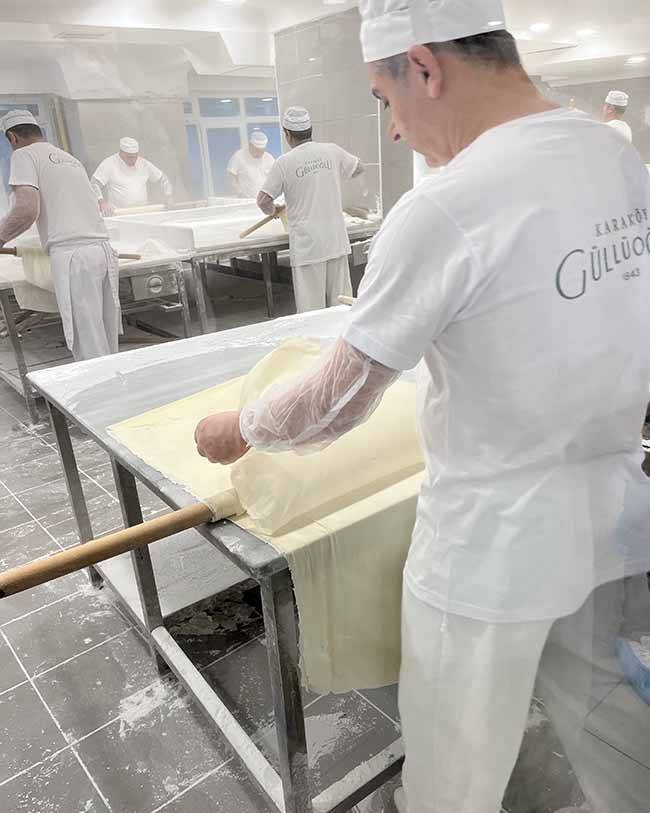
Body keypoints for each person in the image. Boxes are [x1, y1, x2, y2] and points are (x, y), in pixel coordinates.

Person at [195, 1, 650, 811]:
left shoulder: (450, 203)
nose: (395, 129)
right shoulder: (614, 158)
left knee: (455, 755)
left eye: (384, 96)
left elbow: (333, 403)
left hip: (490, 545)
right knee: (608, 721)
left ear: (427, 66)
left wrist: (239, 427)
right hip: (610, 518)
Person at [0, 110, 120, 361]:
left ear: (12, 137)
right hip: (101, 252)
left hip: (74, 257)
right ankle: (115, 387)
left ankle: (100, 396)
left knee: (87, 338)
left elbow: (26, 209)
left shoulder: (23, 154)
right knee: (105, 333)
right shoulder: (68, 158)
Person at [257, 106, 365, 313]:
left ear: (287, 134)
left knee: (311, 313)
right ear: (310, 130)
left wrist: (273, 211)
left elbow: (262, 200)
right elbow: (359, 167)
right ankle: (342, 345)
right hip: (335, 242)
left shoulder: (284, 163)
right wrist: (331, 178)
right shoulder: (331, 151)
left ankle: (315, 346)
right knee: (342, 308)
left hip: (308, 247)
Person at [91, 137, 173, 215]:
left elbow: (163, 179)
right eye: (130, 157)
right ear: (121, 153)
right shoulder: (109, 163)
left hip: (143, 212)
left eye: (135, 157)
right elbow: (94, 183)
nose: (133, 160)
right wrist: (102, 203)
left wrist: (168, 196)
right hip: (118, 214)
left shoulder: (143, 163)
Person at [227, 131, 275, 199]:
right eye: (257, 150)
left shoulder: (269, 158)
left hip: (264, 200)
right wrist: (239, 193)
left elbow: (275, 179)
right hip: (245, 200)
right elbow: (231, 178)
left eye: (261, 151)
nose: (259, 153)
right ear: (250, 145)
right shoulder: (238, 156)